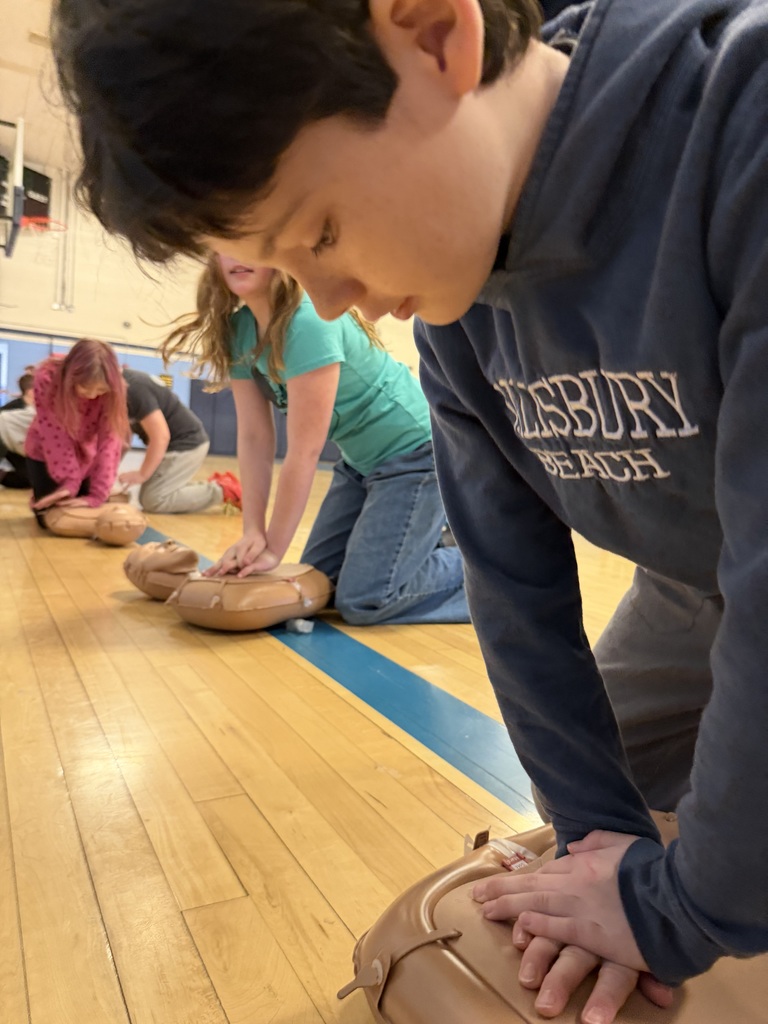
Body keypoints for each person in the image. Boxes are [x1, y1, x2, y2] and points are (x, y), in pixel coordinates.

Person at [50, 0, 768, 1020]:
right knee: (605, 813)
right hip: (693, 582)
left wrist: (685, 912)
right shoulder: (455, 311)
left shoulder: (742, 119)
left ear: (436, 36)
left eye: (323, 231)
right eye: (293, 268)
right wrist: (591, 829)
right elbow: (514, 590)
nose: (332, 301)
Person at [161, 254, 469, 626]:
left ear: (281, 255)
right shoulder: (239, 330)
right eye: (227, 247)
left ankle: (488, 568)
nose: (238, 257)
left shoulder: (307, 321)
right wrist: (253, 533)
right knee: (322, 583)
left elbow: (304, 453)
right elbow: (256, 437)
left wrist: (274, 550)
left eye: (251, 247)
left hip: (416, 456)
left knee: (366, 600)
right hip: (359, 464)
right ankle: (423, 541)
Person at [25, 338, 128, 521]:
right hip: (46, 452)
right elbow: (54, 434)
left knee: (88, 512)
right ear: (72, 377)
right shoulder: (48, 378)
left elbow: (110, 442)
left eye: (100, 390)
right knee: (51, 517)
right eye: (86, 388)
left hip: (85, 455)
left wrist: (99, 494)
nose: (93, 395)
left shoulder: (115, 389)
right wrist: (69, 482)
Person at [119, 367, 240, 512]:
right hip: (176, 444)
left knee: (155, 500)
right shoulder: (125, 385)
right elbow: (123, 436)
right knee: (149, 496)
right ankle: (214, 486)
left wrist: (142, 474)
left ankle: (223, 490)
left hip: (186, 444)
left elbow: (161, 437)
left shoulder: (134, 388)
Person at [0, 372, 36, 488]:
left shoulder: (38, 407)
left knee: (31, 478)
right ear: (31, 391)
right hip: (10, 445)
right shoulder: (10, 410)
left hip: (24, 447)